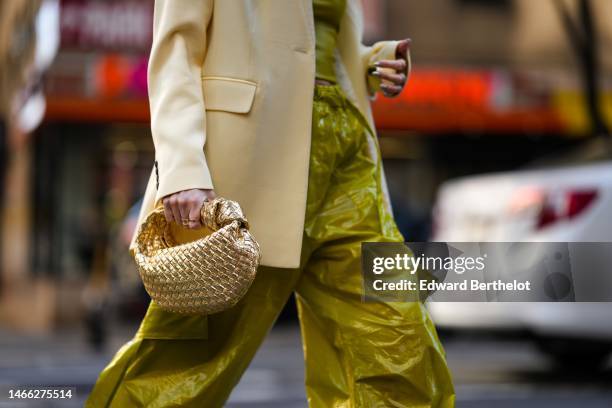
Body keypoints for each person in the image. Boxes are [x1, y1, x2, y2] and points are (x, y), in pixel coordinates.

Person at [86, 0, 455, 406]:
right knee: (186, 365)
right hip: (251, 161)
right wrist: (184, 167)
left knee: (399, 341)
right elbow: (177, 47)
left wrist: (370, 63)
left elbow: (312, 43)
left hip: (348, 161)